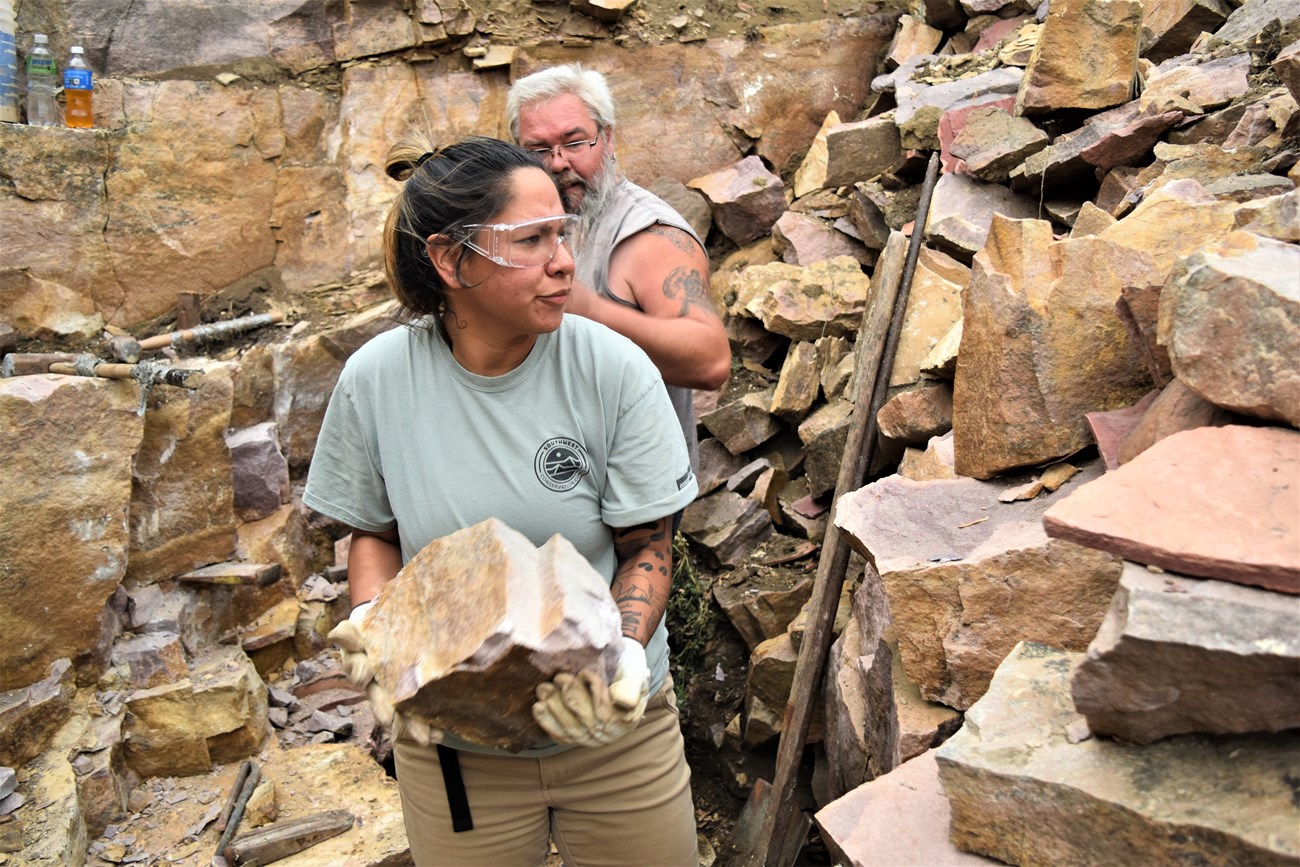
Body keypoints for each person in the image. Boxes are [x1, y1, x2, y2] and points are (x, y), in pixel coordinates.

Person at [303, 133, 700, 865]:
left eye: (563, 233)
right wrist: (372, 622)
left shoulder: (612, 369)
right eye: (532, 239)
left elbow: (649, 543)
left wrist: (625, 659)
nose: (564, 261)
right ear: (450, 259)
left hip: (608, 730)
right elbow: (374, 529)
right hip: (455, 739)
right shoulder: (378, 380)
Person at [506, 64, 732, 487]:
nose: (558, 163)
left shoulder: (648, 236)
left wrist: (589, 310)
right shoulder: (521, 227)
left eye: (575, 142)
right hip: (550, 475)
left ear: (607, 138)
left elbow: (711, 361)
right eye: (537, 150)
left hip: (633, 493)